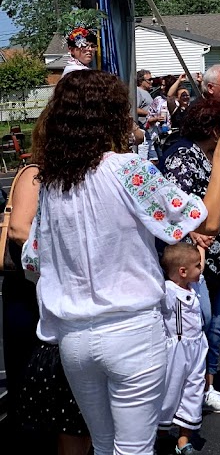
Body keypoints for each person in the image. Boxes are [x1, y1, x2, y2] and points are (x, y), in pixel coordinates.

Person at [21, 70, 220, 455]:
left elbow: (33, 260)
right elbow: (206, 219)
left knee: (106, 448)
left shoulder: (55, 182)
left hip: (74, 337)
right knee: (134, 449)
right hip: (130, 331)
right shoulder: (126, 169)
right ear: (111, 115)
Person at [159, 98, 220, 415]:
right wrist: (196, 234)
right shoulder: (182, 156)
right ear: (212, 128)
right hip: (194, 260)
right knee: (199, 323)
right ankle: (187, 390)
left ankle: (208, 384)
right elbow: (175, 207)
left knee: (215, 327)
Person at [4, 158, 91, 455]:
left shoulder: (73, 172)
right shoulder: (37, 171)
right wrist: (66, 258)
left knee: (57, 383)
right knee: (31, 379)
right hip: (28, 288)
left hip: (50, 289)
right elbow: (18, 229)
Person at [157, 244, 208, 455]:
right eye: (197, 266)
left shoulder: (195, 286)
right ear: (182, 271)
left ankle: (183, 439)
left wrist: (200, 245)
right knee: (170, 390)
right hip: (176, 348)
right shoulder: (167, 291)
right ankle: (160, 432)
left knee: (194, 389)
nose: (201, 269)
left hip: (197, 345)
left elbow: (199, 260)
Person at [136, 69, 157, 158]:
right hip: (143, 132)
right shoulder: (137, 91)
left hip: (150, 133)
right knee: (149, 160)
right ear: (141, 81)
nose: (151, 82)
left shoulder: (147, 93)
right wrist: (149, 114)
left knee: (154, 160)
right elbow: (134, 109)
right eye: (149, 80)